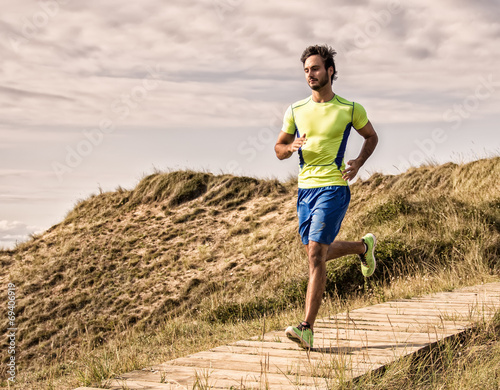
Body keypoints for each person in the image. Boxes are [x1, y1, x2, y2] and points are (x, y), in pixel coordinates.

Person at [274, 44, 378, 350]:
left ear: (330, 70)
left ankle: (307, 328)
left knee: (316, 254)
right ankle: (363, 247)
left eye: (316, 68)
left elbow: (371, 136)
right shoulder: (295, 110)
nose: (310, 74)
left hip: (334, 187)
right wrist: (290, 147)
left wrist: (358, 162)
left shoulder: (349, 108)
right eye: (306, 70)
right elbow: (279, 148)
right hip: (305, 191)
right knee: (314, 254)